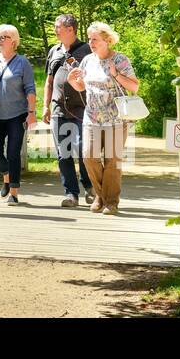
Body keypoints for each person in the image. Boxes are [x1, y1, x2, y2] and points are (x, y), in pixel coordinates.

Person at [67, 22, 140, 215]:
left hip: (115, 120)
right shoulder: (88, 61)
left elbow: (134, 87)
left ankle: (111, 202)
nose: (91, 43)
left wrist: (116, 75)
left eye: (95, 39)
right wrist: (72, 81)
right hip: (91, 118)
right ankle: (100, 195)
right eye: (90, 39)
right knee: (89, 157)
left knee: (112, 162)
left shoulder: (120, 59)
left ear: (107, 40)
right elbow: (82, 87)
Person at [0, 24, 36, 205]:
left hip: (17, 115)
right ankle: (6, 175)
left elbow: (30, 89)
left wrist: (32, 112)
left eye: (3, 37)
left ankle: (13, 192)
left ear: (13, 41)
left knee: (13, 153)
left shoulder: (22, 63)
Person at [43, 14, 94, 207]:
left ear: (70, 29)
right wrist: (45, 106)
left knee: (83, 150)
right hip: (58, 109)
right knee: (63, 152)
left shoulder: (87, 51)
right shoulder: (54, 51)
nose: (55, 30)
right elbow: (48, 81)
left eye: (58, 27)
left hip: (83, 109)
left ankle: (89, 186)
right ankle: (71, 193)